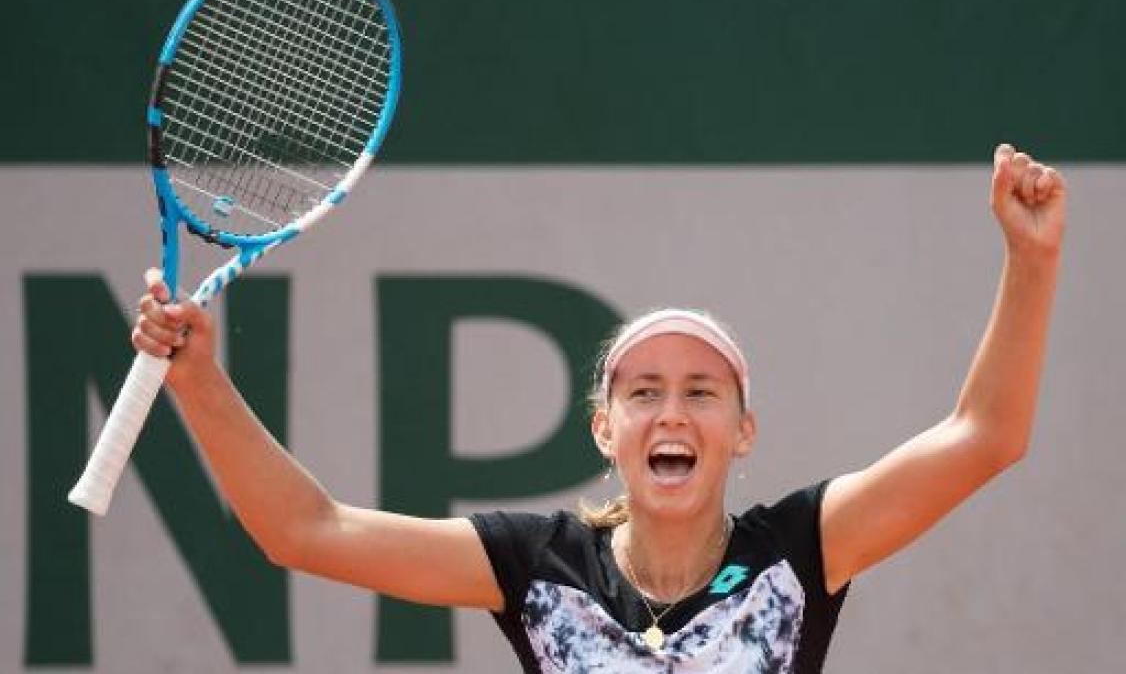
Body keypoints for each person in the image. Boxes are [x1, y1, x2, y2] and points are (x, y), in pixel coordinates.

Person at [131, 144, 1065, 672]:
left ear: (743, 432)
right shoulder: (537, 567)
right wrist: (202, 381)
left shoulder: (802, 550)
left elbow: (986, 435)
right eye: (644, 391)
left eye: (702, 392)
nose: (671, 411)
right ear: (603, 429)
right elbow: (306, 529)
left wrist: (1031, 260)